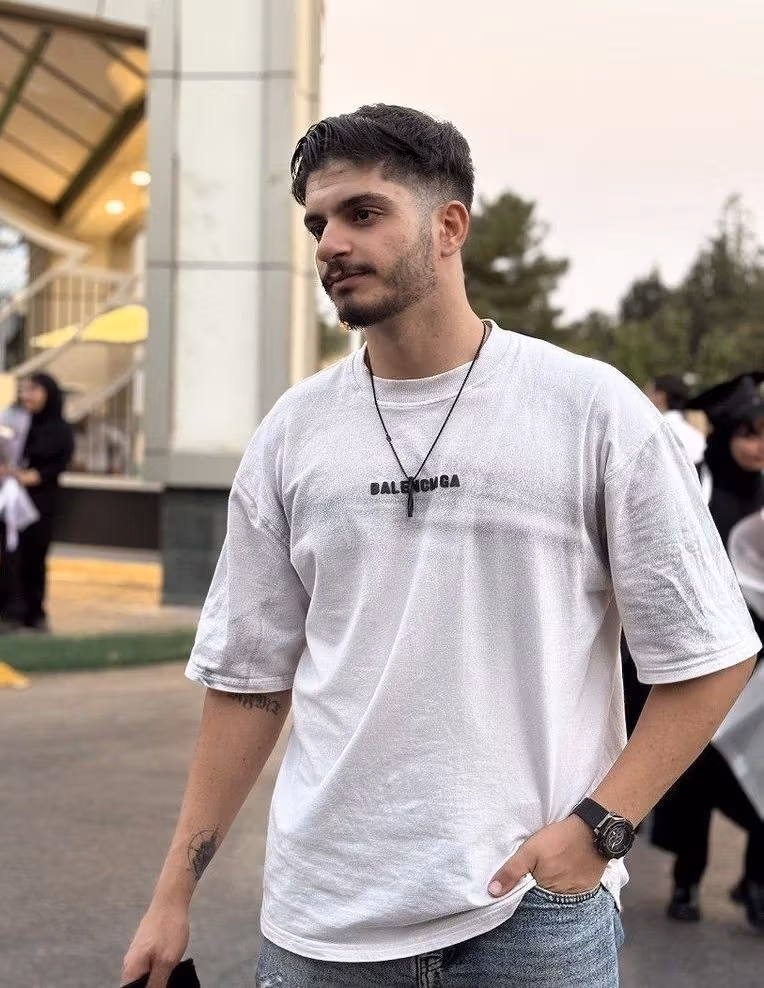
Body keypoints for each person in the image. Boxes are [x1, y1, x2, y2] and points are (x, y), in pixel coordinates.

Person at [122, 106, 760, 988]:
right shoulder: (294, 433)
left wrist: (602, 828)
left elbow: (711, 650)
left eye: (363, 213)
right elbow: (248, 683)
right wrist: (172, 895)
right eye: (317, 223)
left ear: (449, 225)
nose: (331, 244)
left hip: (531, 918)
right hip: (323, 923)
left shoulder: (590, 410)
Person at [653, 372, 764, 928]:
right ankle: (687, 881)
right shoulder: (697, 485)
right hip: (706, 661)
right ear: (725, 433)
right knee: (695, 776)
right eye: (748, 433)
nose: (758, 446)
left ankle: (756, 883)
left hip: (761, 665)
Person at [0, 373, 74, 631]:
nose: (27, 396)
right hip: (9, 498)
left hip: (41, 501)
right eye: (24, 390)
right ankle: (9, 611)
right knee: (9, 555)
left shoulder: (59, 429)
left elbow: (59, 462)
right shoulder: (13, 421)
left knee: (35, 554)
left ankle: (34, 611)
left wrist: (38, 475)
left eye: (34, 390)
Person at [646, 374, 707, 469]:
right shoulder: (696, 435)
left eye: (649, 392)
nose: (645, 396)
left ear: (661, 396)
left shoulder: (654, 429)